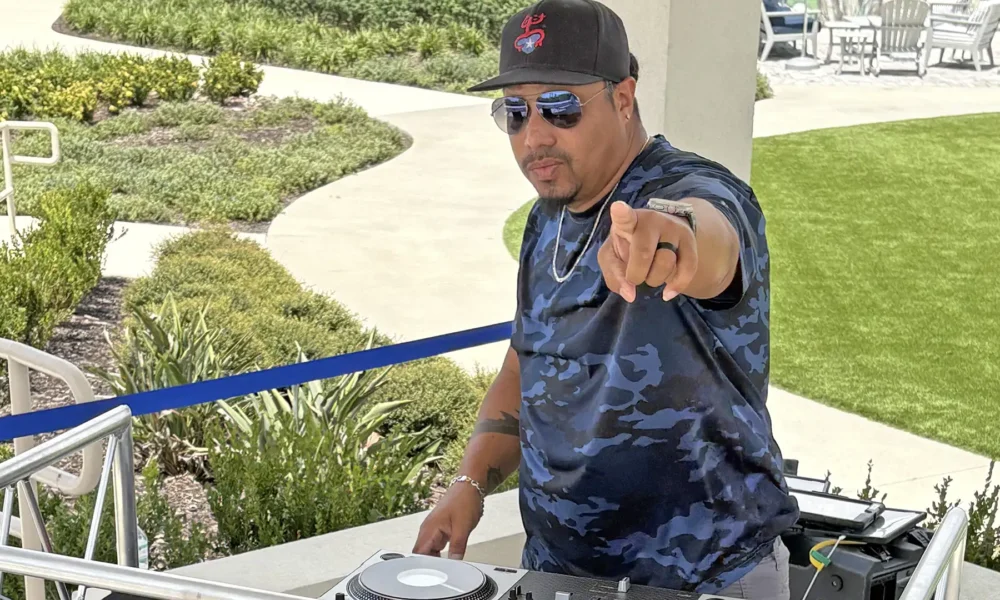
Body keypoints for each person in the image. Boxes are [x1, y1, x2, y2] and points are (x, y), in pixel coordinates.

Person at [413, 1, 800, 598]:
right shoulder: (545, 221)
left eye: (560, 107)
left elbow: (708, 233)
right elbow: (525, 363)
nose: (534, 136)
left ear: (623, 98)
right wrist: (469, 484)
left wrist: (670, 236)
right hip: (557, 574)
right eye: (514, 112)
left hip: (705, 578)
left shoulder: (692, 189)